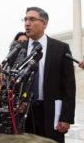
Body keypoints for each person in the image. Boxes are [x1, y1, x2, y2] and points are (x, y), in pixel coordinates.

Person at [20, 7, 76, 143]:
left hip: (51, 113)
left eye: (32, 19)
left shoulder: (60, 48)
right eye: (25, 19)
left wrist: (66, 117)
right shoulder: (19, 49)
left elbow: (69, 86)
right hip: (25, 113)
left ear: (44, 23)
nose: (27, 23)